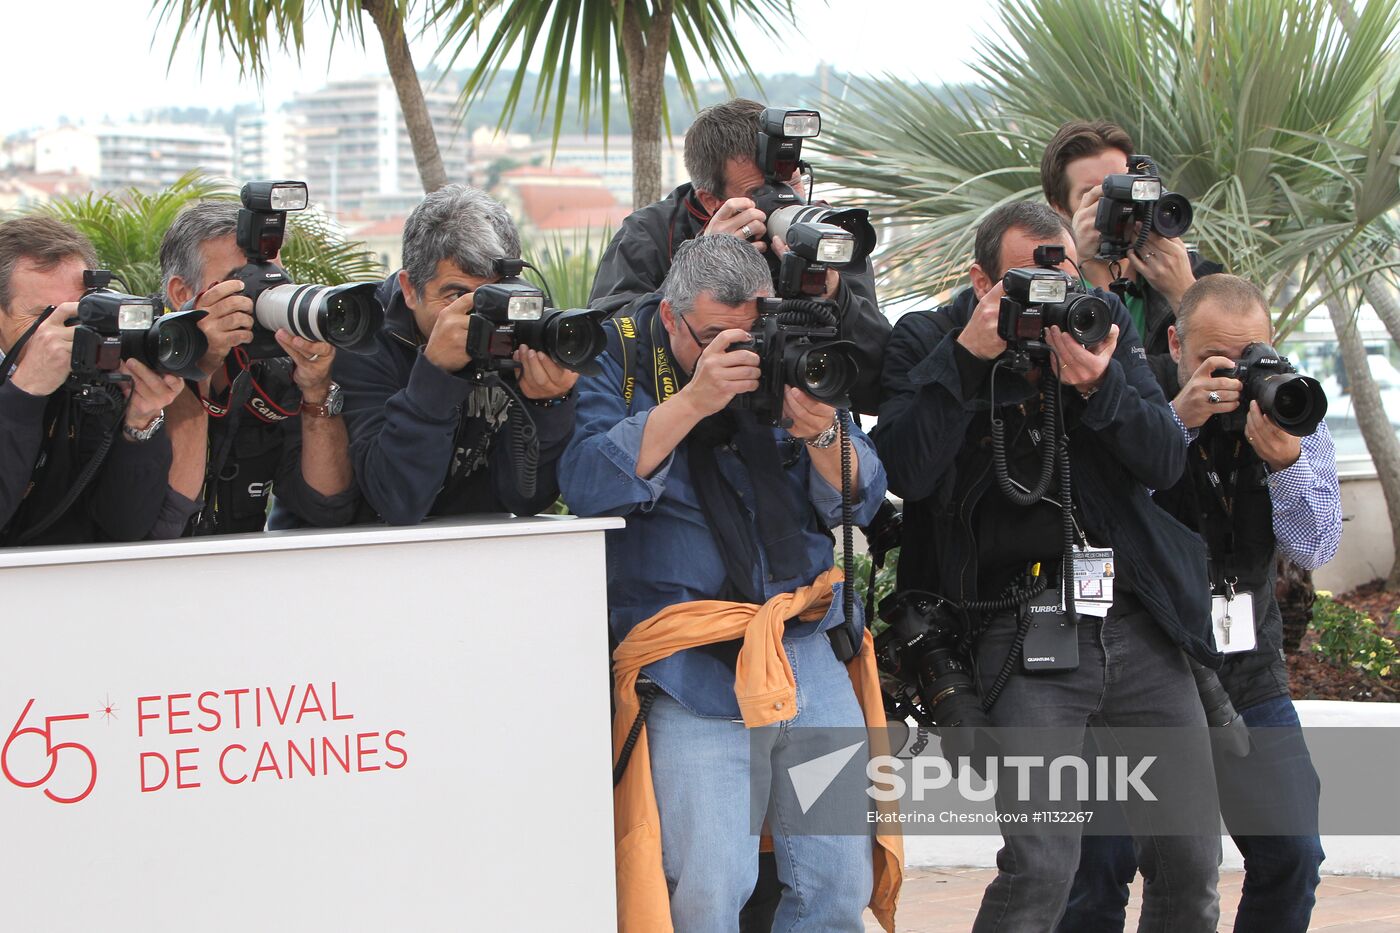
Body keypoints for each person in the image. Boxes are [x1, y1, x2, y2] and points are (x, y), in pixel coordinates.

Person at [873, 201, 1221, 932]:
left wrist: (1099, 384)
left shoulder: (1097, 322)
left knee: (1190, 858)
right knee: (1043, 862)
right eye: (1026, 276)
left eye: (1059, 267)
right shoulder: (930, 338)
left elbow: (1163, 456)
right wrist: (970, 359)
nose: (1047, 289)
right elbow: (905, 469)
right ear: (981, 277)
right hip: (1016, 629)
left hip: (1132, 615)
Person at [561, 234, 896, 931]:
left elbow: (862, 497)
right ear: (672, 316)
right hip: (691, 652)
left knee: (839, 877)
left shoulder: (787, 343)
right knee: (712, 881)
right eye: (715, 337)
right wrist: (693, 401)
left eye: (750, 332)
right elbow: (586, 483)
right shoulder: (617, 350)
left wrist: (823, 433)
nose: (738, 352)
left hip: (802, 633)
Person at [1062, 274, 1340, 933]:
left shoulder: (1295, 403)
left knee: (1292, 850)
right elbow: (1099, 519)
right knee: (1097, 864)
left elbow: (1317, 544)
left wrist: (1288, 463)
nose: (1238, 377)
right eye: (1217, 360)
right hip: (1138, 661)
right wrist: (1176, 425)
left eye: (1252, 357)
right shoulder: (1129, 394)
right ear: (1174, 343)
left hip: (1246, 662)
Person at [588, 97, 891, 414]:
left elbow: (880, 381)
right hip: (689, 429)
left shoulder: (826, 234)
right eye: (763, 194)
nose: (787, 200)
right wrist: (701, 262)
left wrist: (834, 293)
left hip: (803, 430)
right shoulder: (650, 232)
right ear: (710, 201)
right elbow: (605, 347)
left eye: (792, 183)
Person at [335, 184, 576, 524]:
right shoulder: (362, 336)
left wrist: (547, 406)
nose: (478, 318)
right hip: (358, 554)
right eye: (457, 297)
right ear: (409, 289)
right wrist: (435, 376)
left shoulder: (519, 326)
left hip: (472, 551)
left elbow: (523, 498)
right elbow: (396, 501)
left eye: (492, 297)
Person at [157, 200, 357, 535]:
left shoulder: (275, 375)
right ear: (182, 293)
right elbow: (165, 524)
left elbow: (328, 507)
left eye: (272, 282)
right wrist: (197, 368)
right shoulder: (142, 369)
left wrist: (316, 390)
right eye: (243, 282)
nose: (260, 297)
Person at [0, 216, 183, 546]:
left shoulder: (94, 378)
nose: (63, 335)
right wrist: (24, 393)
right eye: (46, 316)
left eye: (77, 316)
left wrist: (139, 425)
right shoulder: (27, 386)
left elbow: (124, 526)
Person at [1041, 120, 1221, 354]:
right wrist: (1075, 264)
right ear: (1060, 209)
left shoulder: (1197, 272)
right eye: (1096, 194)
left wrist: (1183, 292)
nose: (1117, 203)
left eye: (1125, 186)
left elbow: (1230, 363)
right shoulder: (1044, 282)